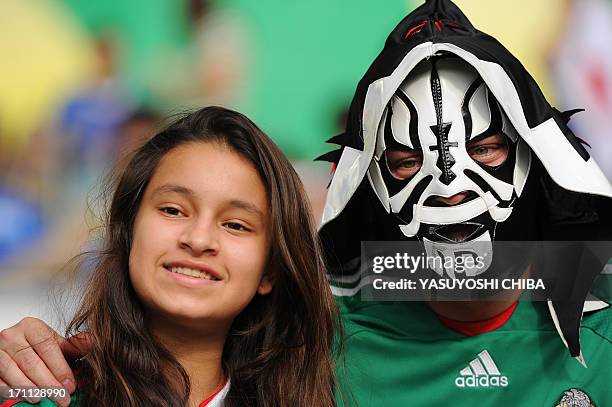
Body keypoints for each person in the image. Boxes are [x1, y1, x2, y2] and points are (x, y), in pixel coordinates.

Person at [316, 0, 612, 405]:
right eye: (408, 161)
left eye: (485, 148)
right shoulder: (319, 344)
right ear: (370, 184)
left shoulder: (606, 326)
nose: (450, 187)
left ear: (540, 161)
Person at [0, 106, 339, 407]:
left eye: (235, 224)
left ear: (270, 270)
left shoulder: (311, 394)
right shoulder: (45, 396)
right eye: (173, 210)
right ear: (128, 231)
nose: (198, 239)